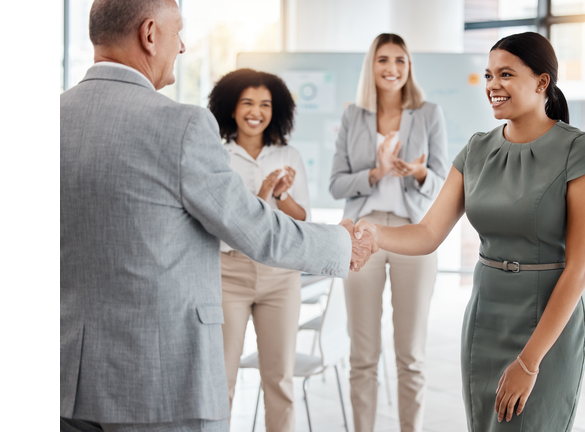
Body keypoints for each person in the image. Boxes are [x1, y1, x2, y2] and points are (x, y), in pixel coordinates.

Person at [60, 1, 376, 431]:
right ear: (150, 34)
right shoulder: (180, 125)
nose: (184, 46)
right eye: (179, 32)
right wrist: (341, 243)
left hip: (64, 379)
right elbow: (254, 227)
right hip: (160, 383)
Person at [354, 32, 585, 431]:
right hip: (486, 317)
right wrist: (374, 234)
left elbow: (581, 270)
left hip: (547, 323)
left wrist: (529, 361)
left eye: (505, 74)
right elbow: (428, 232)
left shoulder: (578, 150)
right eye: (489, 75)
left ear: (542, 82)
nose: (492, 86)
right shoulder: (477, 149)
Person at [329, 33, 448, 432]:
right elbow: (336, 185)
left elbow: (442, 181)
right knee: (362, 353)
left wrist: (416, 173)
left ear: (409, 65)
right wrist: (377, 172)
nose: (392, 68)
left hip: (414, 234)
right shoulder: (353, 116)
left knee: (410, 354)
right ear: (372, 65)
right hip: (363, 232)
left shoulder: (429, 113)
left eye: (400, 59)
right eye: (383, 59)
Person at [206, 68, 309, 431]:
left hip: (280, 275)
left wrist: (281, 194)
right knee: (221, 378)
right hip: (228, 273)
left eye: (265, 104)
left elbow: (301, 218)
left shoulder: (289, 155)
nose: (256, 111)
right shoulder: (216, 156)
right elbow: (221, 220)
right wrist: (262, 194)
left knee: (279, 380)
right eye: (247, 102)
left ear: (276, 110)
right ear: (230, 108)